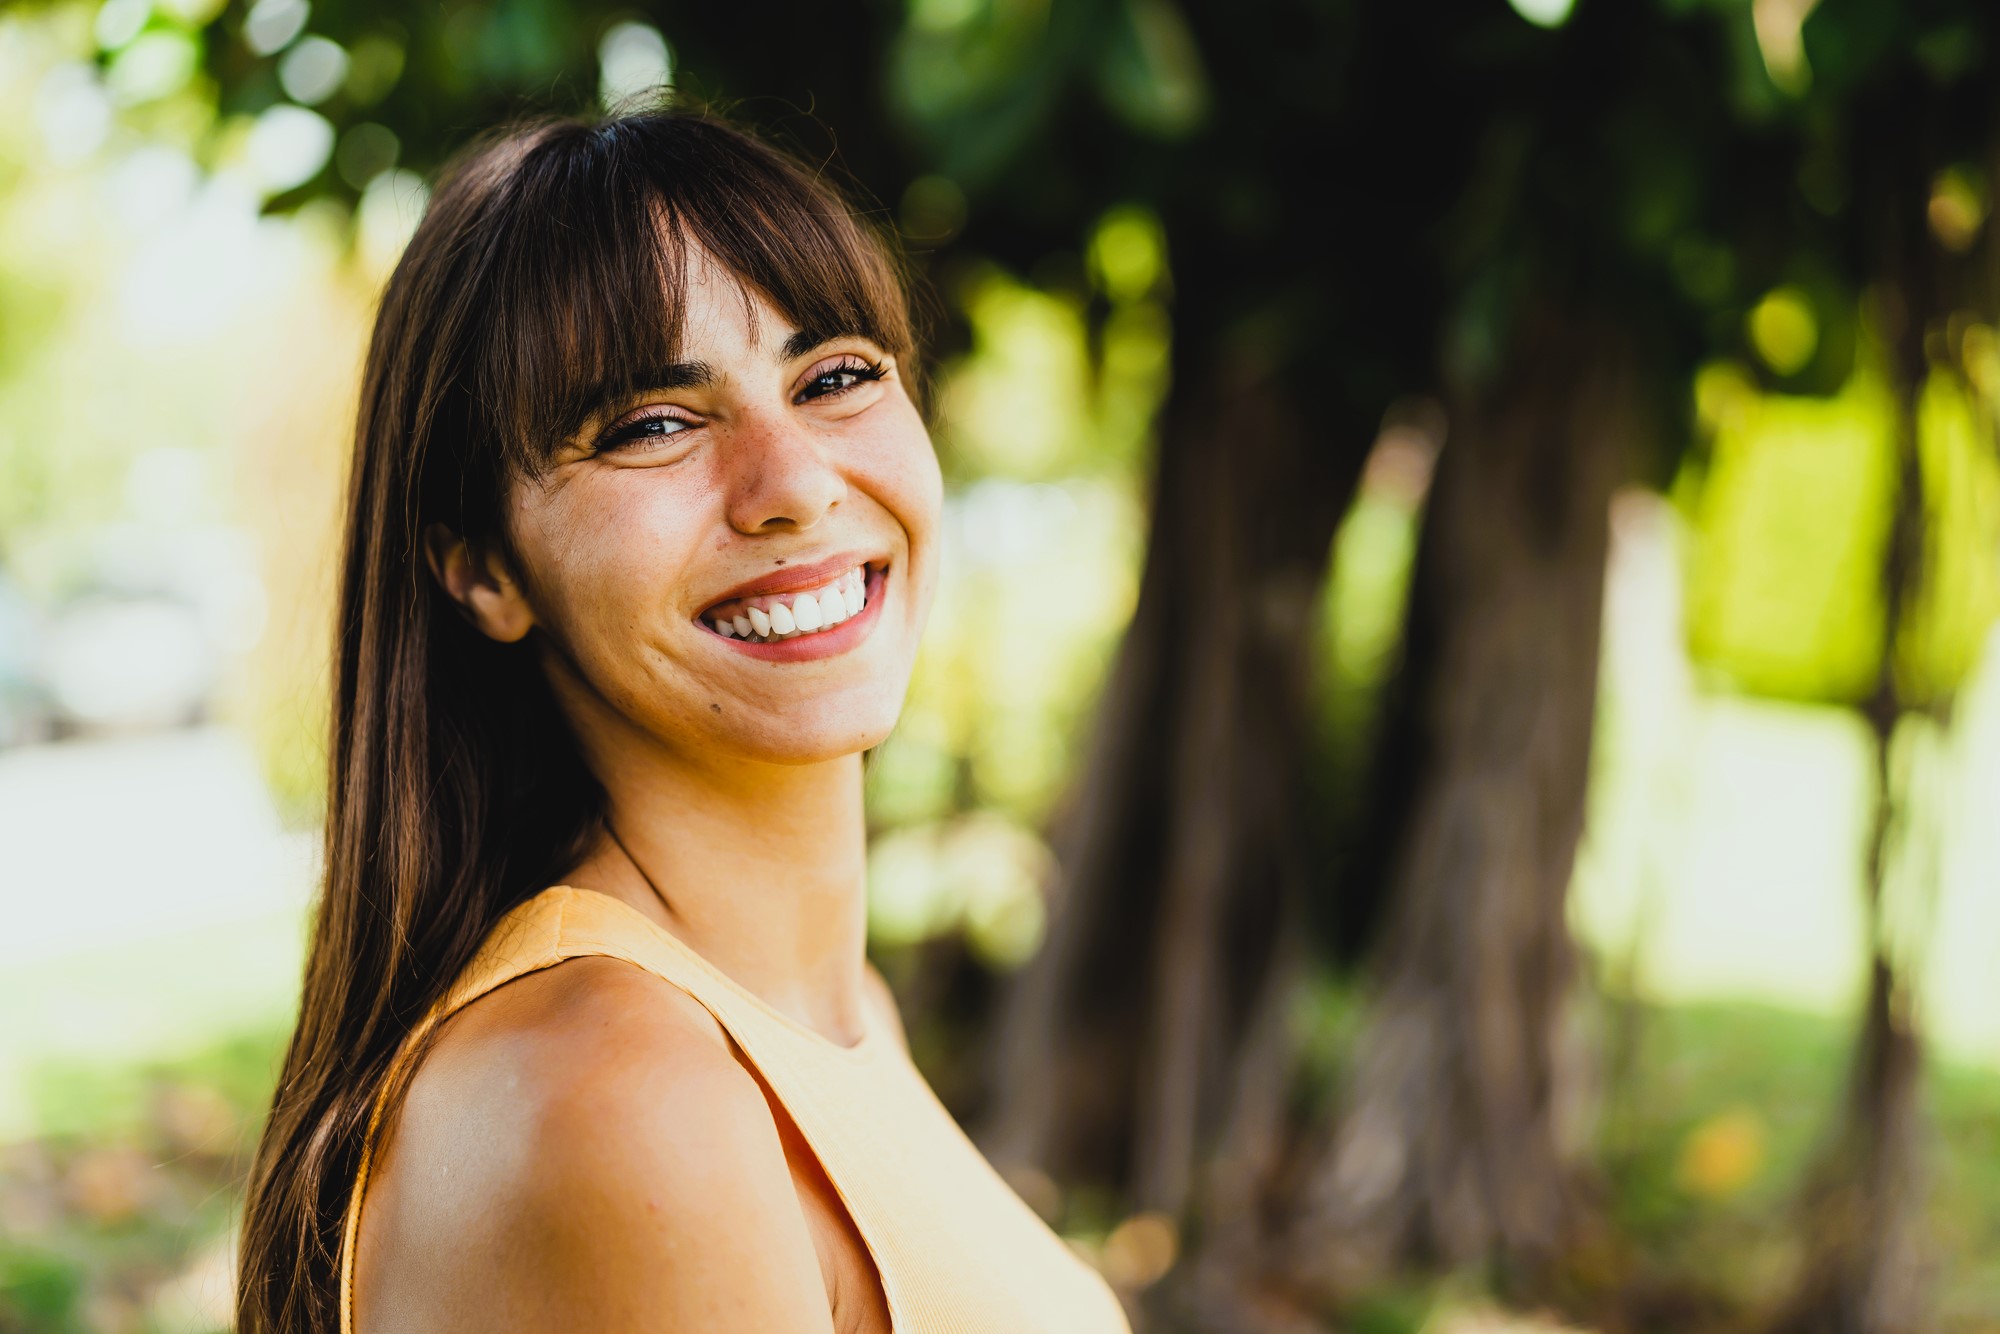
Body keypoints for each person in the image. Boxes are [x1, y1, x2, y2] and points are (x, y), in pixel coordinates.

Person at [235, 104, 1133, 1334]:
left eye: (835, 375)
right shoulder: (619, 1093)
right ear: (482, 569)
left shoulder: (817, 1008)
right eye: (653, 424)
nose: (796, 483)